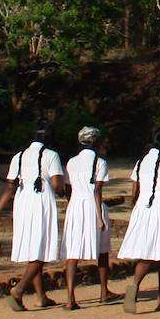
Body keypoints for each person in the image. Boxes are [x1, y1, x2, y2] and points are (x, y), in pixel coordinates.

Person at [0, 123, 64, 310]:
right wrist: (65, 189)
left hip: (22, 203)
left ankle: (41, 296)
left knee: (35, 248)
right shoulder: (52, 155)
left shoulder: (19, 156)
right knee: (42, 249)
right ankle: (19, 289)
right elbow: (57, 186)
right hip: (41, 203)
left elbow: (10, 187)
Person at [118, 127, 160, 314]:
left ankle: (135, 291)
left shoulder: (141, 162)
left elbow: (134, 190)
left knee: (150, 253)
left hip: (144, 207)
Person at [62, 126, 118, 309]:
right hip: (93, 207)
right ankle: (103, 290)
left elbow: (68, 189)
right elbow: (97, 191)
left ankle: (70, 297)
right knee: (102, 251)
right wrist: (100, 216)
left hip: (75, 206)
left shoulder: (71, 162)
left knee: (72, 252)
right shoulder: (100, 162)